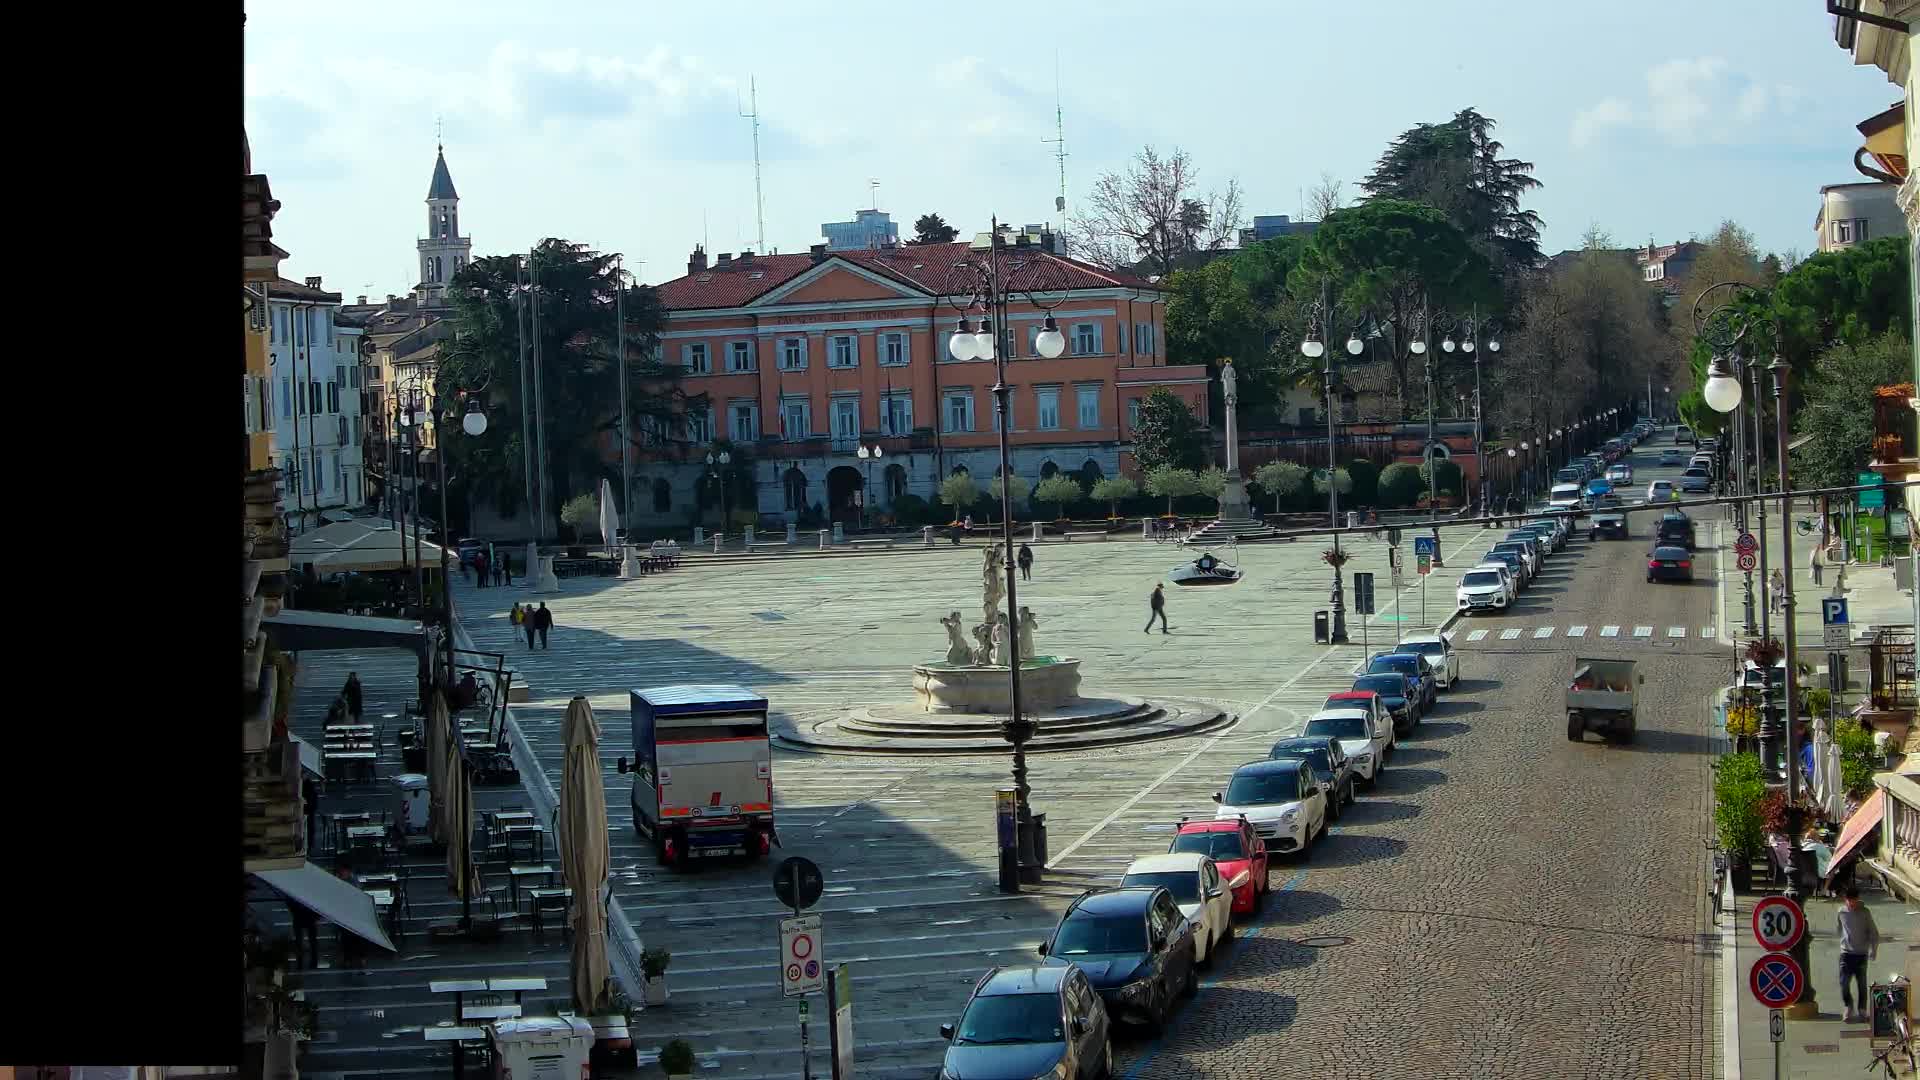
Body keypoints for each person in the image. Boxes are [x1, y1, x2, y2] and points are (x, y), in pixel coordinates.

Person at [1836, 884, 1881, 1022]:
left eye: (1853, 900)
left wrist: (1873, 950)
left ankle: (1862, 1010)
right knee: (1843, 983)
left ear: (1857, 899)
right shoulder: (1841, 912)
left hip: (1861, 954)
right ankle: (1848, 1006)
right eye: (1849, 900)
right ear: (1845, 900)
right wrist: (1843, 940)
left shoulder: (1865, 913)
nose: (1851, 903)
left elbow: (1873, 933)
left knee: (1861, 983)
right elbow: (1839, 928)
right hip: (1846, 953)